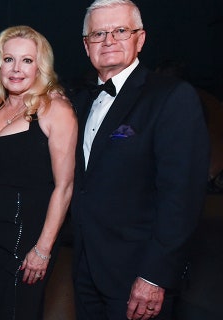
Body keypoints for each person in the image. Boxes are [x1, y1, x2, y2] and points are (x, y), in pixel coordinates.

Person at [71, 1, 210, 319]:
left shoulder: (172, 97)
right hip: (86, 268)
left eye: (120, 30)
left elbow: (182, 198)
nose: (108, 41)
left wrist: (155, 275)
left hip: (138, 276)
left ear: (141, 38)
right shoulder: (81, 101)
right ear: (85, 45)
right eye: (98, 33)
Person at [0, 25, 77, 319]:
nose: (16, 69)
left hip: (27, 236)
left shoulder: (55, 109)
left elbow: (65, 186)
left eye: (27, 61)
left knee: (18, 310)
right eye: (9, 60)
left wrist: (43, 248)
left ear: (40, 67)